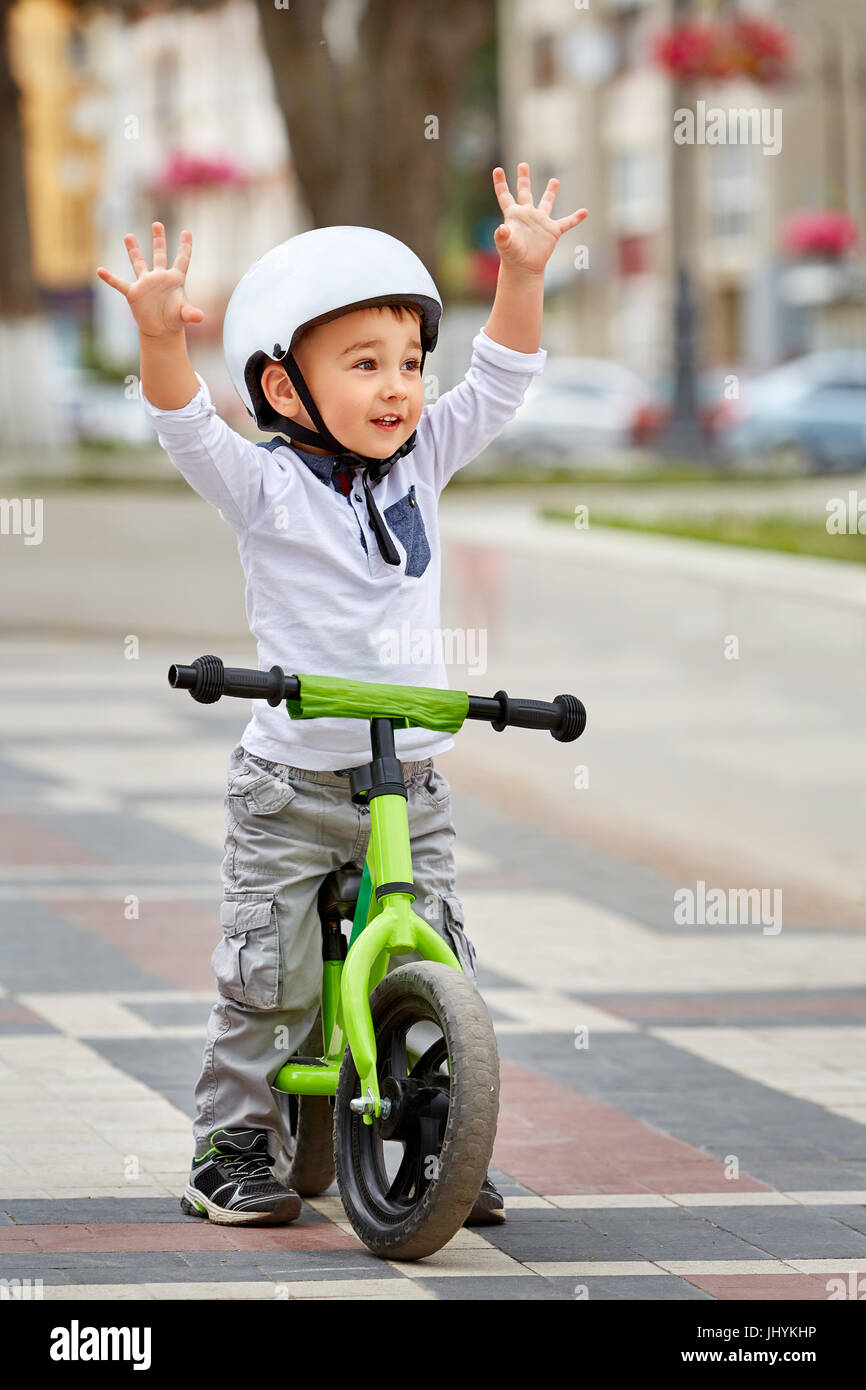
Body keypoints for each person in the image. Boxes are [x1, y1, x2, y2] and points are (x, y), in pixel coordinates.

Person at [96, 162, 588, 1230]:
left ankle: (439, 1134)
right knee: (268, 979)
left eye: (409, 360)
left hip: (408, 778)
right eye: (363, 364)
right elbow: (186, 427)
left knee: (432, 952)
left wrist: (521, 272)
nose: (398, 386)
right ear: (284, 389)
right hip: (292, 782)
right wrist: (160, 337)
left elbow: (500, 379)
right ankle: (230, 1145)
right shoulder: (267, 488)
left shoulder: (423, 462)